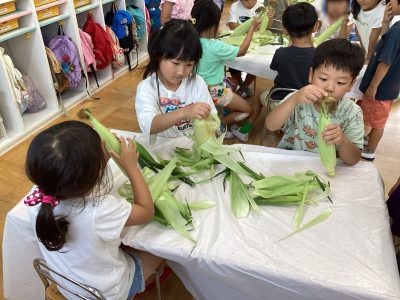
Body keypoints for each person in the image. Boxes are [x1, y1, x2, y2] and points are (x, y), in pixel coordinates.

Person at [25, 121, 164, 299]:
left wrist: (101, 161)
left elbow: (78, 180)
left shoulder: (39, 198)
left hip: (70, 288)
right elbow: (146, 211)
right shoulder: (100, 210)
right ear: (97, 173)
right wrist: (131, 167)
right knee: (162, 249)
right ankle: (142, 284)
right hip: (108, 293)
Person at [266, 38, 365, 165]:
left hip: (323, 170)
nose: (329, 88)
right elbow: (271, 125)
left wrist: (343, 141)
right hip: (289, 163)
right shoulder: (297, 99)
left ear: (351, 84)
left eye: (340, 82)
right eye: (323, 78)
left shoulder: (352, 113)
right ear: (311, 74)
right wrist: (294, 99)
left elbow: (353, 160)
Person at [135, 19, 217, 143]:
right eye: (176, 63)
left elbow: (211, 118)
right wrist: (184, 112)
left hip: (192, 148)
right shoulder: (147, 87)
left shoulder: (197, 83)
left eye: (189, 65)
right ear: (158, 56)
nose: (181, 72)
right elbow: (150, 125)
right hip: (162, 149)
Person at [192, 0, 261, 142]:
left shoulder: (189, 41)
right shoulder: (215, 46)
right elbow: (242, 51)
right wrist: (251, 29)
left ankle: (217, 119)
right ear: (214, 25)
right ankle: (220, 123)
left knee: (232, 87)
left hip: (195, 89)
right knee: (248, 110)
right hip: (215, 90)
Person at [357, 0, 400, 161]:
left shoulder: (398, 31)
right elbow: (386, 40)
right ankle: (368, 142)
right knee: (375, 118)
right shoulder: (396, 28)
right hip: (390, 85)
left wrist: (374, 85)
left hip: (381, 87)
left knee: (377, 122)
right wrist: (385, 23)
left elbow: (386, 61)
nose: (389, 4)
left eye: (392, 1)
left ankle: (370, 149)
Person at [270, 2, 318, 102]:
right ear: (315, 27)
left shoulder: (281, 53)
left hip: (280, 100)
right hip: (307, 102)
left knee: (259, 98)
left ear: (284, 30)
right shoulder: (320, 55)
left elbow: (274, 67)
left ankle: (255, 118)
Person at [227, 0, 275, 98]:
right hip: (239, 41)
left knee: (254, 65)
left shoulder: (261, 7)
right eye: (246, 0)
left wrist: (269, 18)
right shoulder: (235, 6)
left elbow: (268, 26)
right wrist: (251, 28)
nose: (249, 2)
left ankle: (244, 85)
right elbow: (232, 25)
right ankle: (241, 83)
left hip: (255, 42)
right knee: (233, 63)